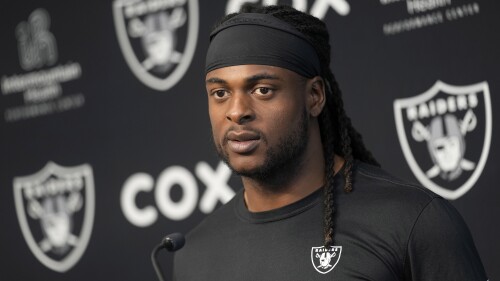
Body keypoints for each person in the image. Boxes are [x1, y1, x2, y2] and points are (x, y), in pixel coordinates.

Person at [173, 4, 487, 280]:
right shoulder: (193, 255)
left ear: (315, 96)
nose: (237, 111)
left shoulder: (414, 223)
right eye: (220, 93)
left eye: (263, 90)